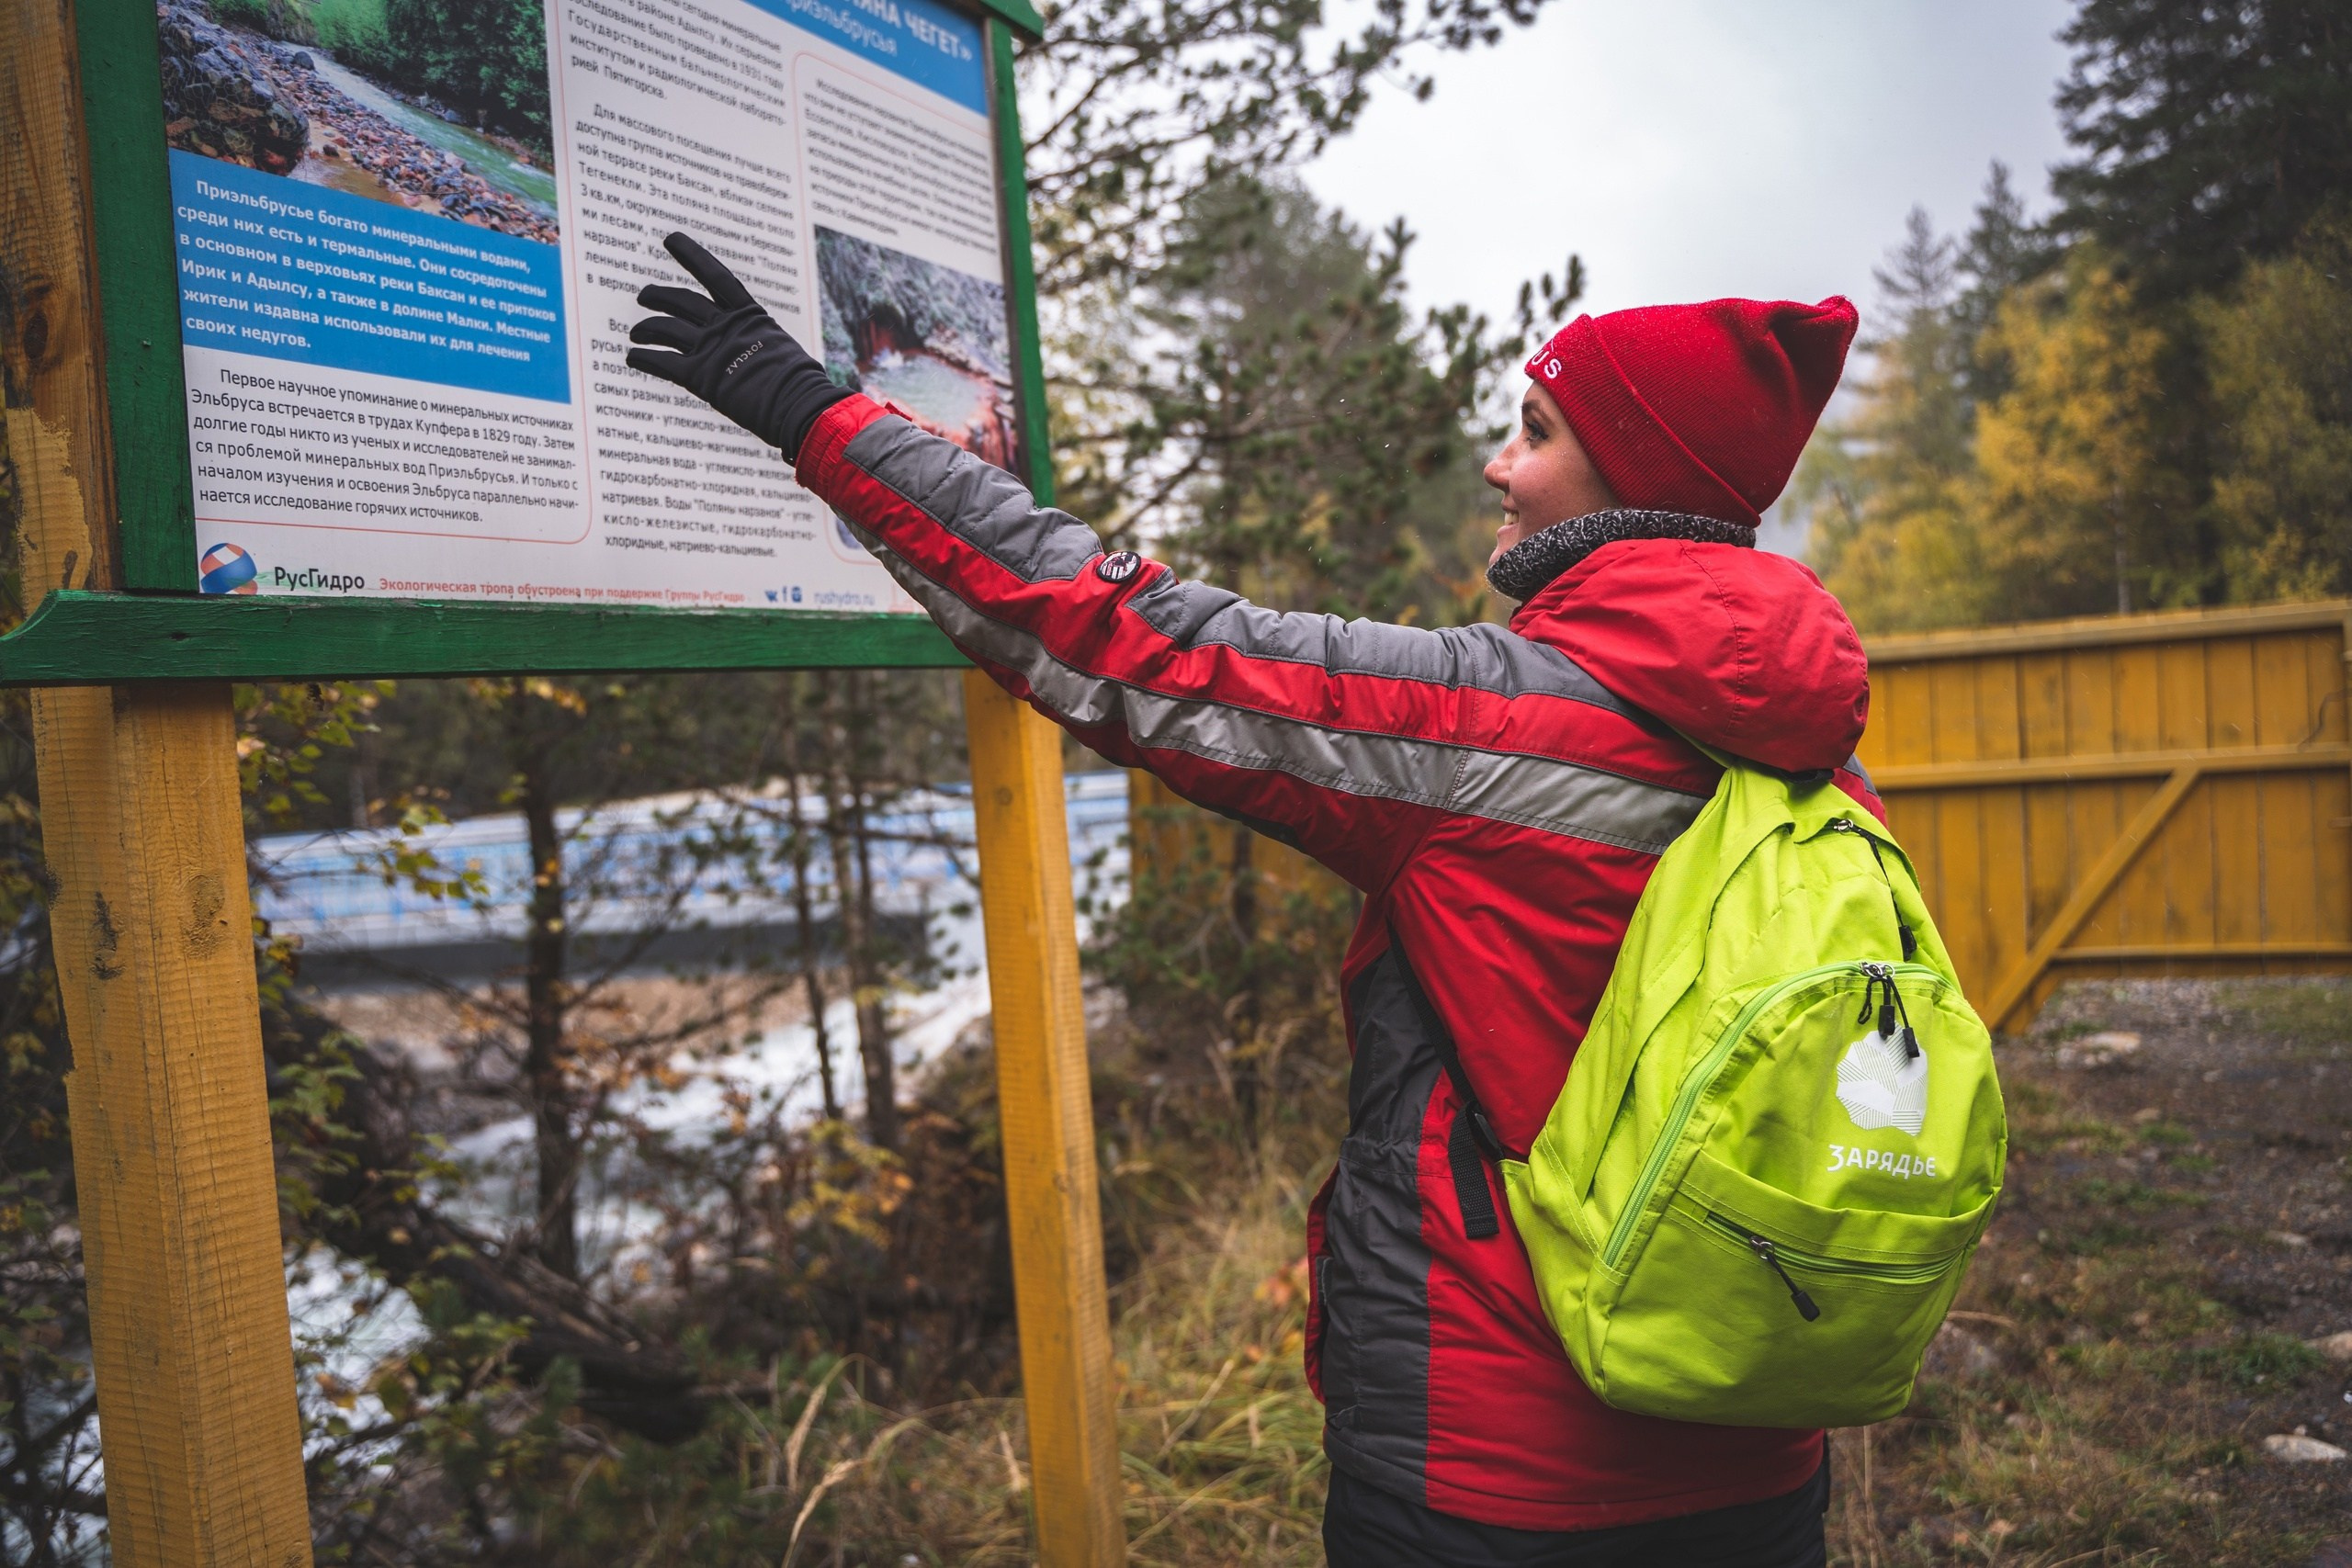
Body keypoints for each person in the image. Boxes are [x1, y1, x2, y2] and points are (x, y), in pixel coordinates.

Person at [630, 232, 1874, 1566]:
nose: (1499, 465)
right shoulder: (1819, 752)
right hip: (1759, 1441)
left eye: (1536, 430)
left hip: (1494, 1473)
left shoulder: (1486, 732)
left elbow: (1129, 636)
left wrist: (812, 414)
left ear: (1633, 478)